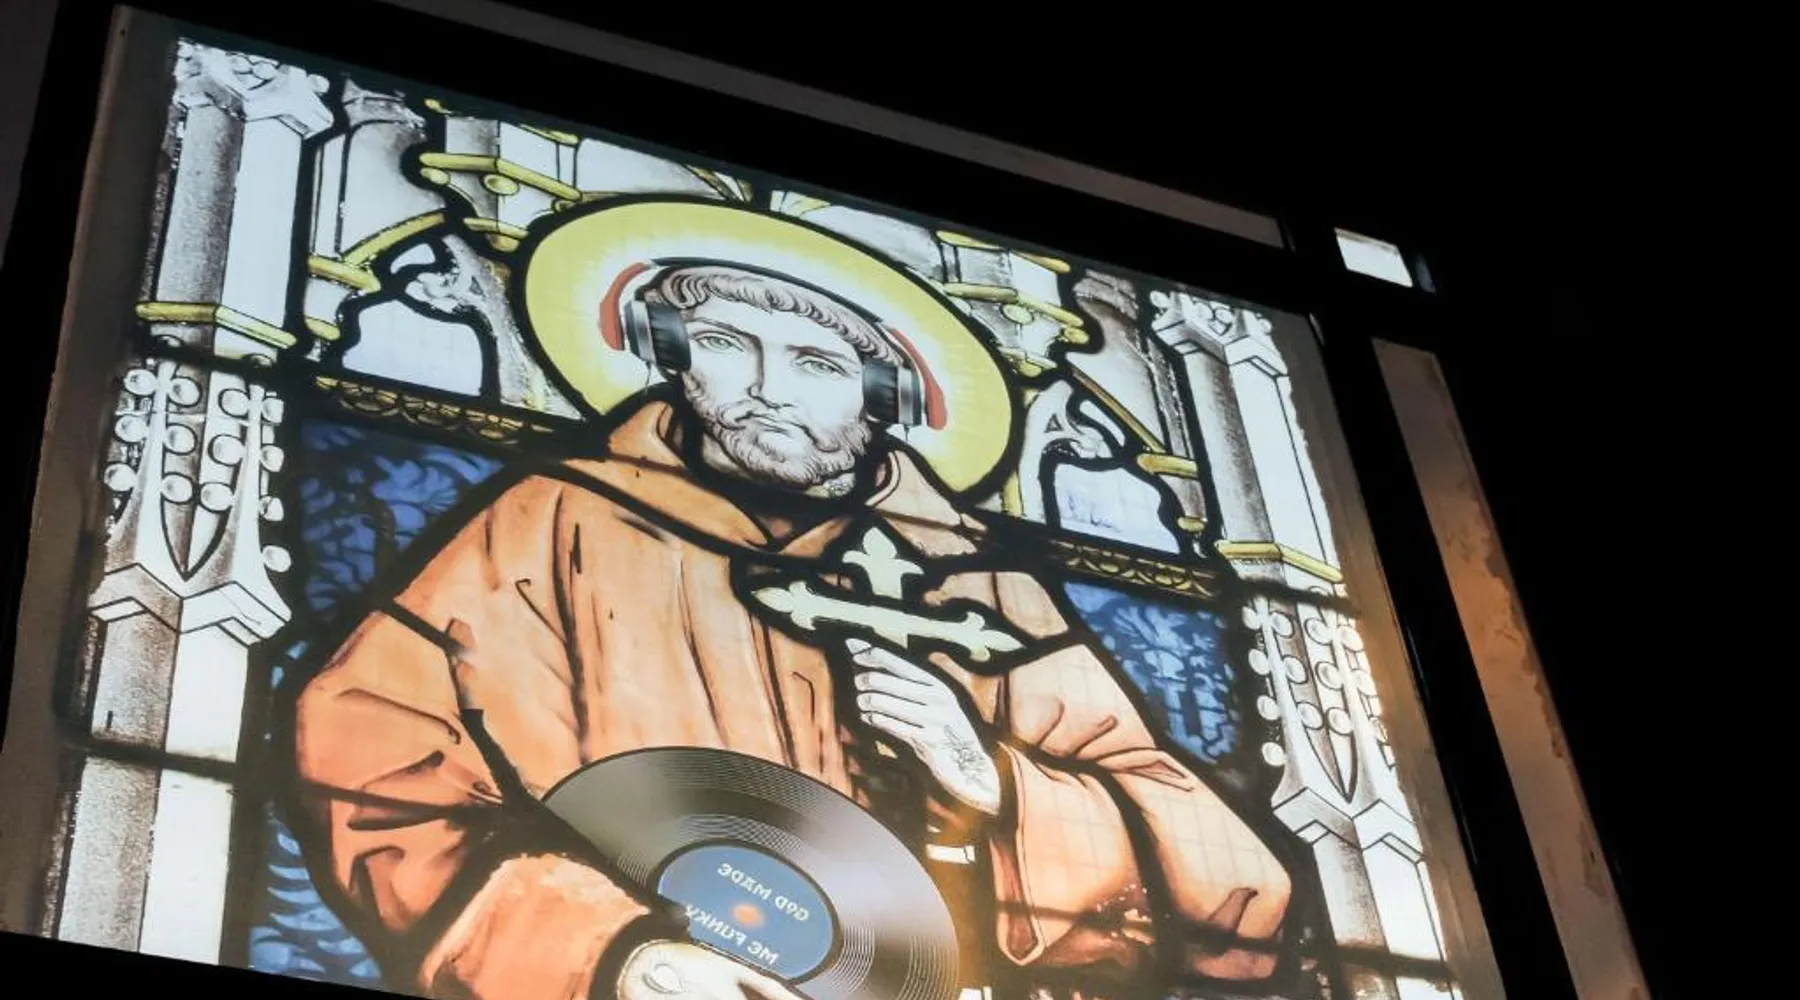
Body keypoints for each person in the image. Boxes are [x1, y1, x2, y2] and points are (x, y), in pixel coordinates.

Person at [292, 263, 1291, 1000]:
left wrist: (995, 779)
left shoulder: (977, 573)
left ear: (884, 397)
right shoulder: (554, 520)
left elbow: (1233, 886)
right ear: (675, 357)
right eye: (726, 344)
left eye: (817, 361)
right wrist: (613, 955)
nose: (767, 386)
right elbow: (373, 769)